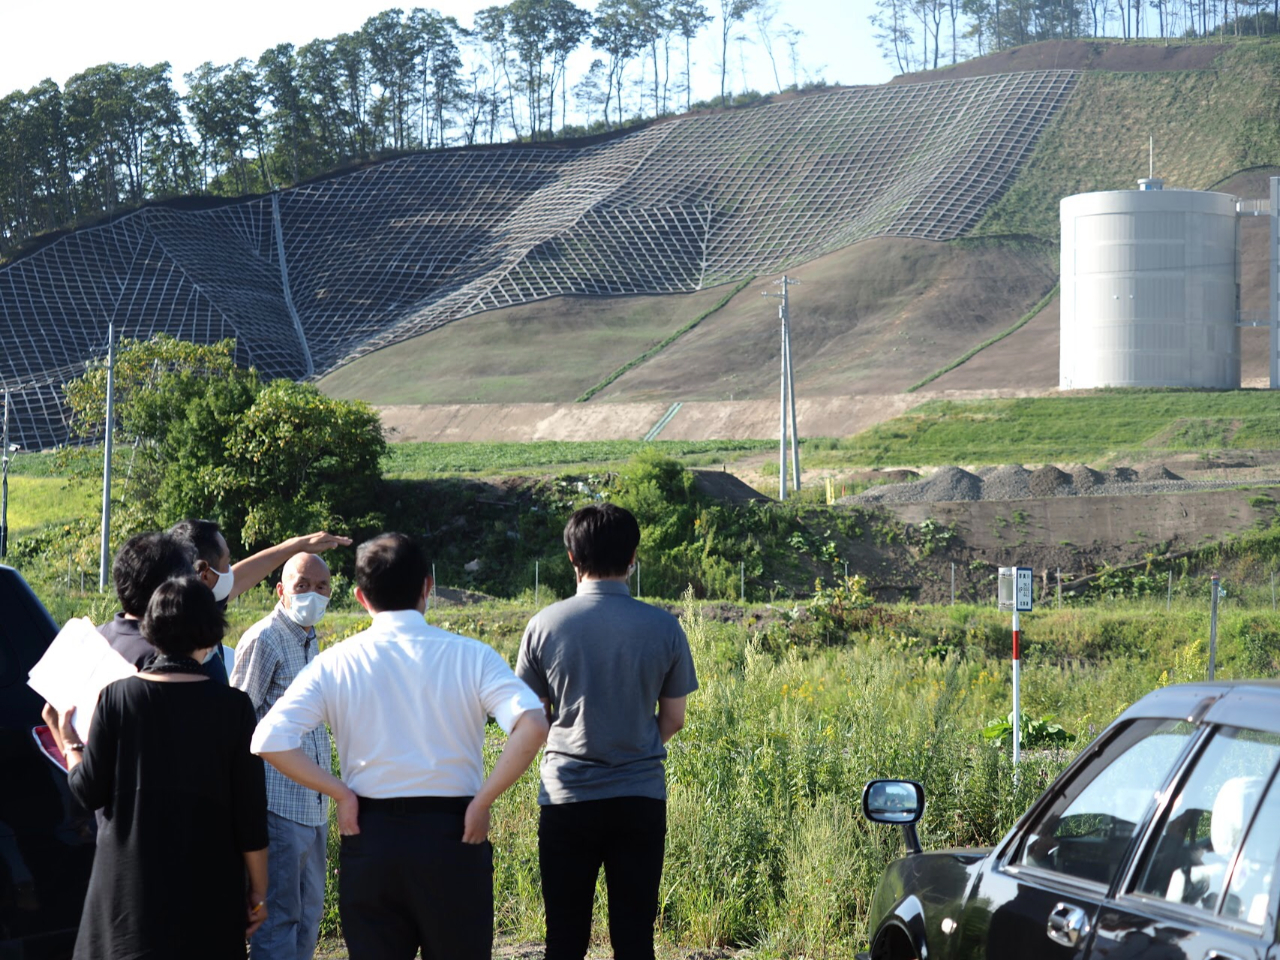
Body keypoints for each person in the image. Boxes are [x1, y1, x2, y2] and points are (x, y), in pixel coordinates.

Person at [252, 532, 549, 960]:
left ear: (359, 596)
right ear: (428, 586)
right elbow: (533, 724)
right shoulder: (472, 655)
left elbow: (268, 739)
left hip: (371, 835)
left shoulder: (336, 661)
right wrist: (484, 800)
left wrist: (340, 791)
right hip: (455, 833)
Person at [46, 576, 269, 960]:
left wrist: (68, 743)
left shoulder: (118, 697)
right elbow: (250, 815)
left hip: (127, 896)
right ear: (212, 632)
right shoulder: (234, 707)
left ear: (151, 629)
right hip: (207, 890)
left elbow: (88, 790)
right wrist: (258, 891)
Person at [516, 503, 698, 960]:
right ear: (633, 556)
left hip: (567, 798)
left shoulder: (544, 625)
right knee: (635, 937)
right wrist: (635, 742)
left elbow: (533, 719)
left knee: (564, 936)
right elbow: (673, 719)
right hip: (639, 796)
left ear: (572, 558)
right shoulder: (664, 626)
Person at [231, 553, 334, 960]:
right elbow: (239, 721)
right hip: (278, 805)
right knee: (278, 919)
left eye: (321, 587)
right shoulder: (266, 638)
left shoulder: (310, 638)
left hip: (313, 805)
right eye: (302, 585)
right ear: (281, 590)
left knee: (309, 915)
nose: (313, 594)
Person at [169, 519, 352, 681]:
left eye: (321, 587)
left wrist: (296, 546)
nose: (231, 572)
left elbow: (242, 578)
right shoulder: (174, 631)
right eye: (227, 563)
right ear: (205, 574)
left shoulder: (200, 607)